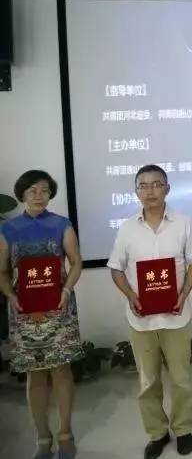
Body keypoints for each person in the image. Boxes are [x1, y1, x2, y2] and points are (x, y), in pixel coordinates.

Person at [107, 165, 192, 458]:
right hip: (141, 320)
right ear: (136, 191)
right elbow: (116, 268)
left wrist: (184, 294)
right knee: (148, 382)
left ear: (167, 189)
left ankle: (183, 429)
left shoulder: (184, 223)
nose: (150, 191)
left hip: (176, 316)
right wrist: (131, 296)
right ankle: (157, 433)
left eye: (156, 184)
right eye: (143, 186)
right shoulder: (127, 228)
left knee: (181, 379)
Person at [0, 170, 84, 459]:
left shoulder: (61, 224)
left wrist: (67, 290)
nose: (39, 195)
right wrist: (10, 296)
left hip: (58, 306)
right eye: (32, 190)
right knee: (34, 375)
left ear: (50, 194)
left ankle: (65, 434)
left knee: (61, 370)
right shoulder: (8, 228)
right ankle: (43, 439)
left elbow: (75, 262)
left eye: (44, 190)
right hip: (24, 310)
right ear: (22, 194)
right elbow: (2, 272)